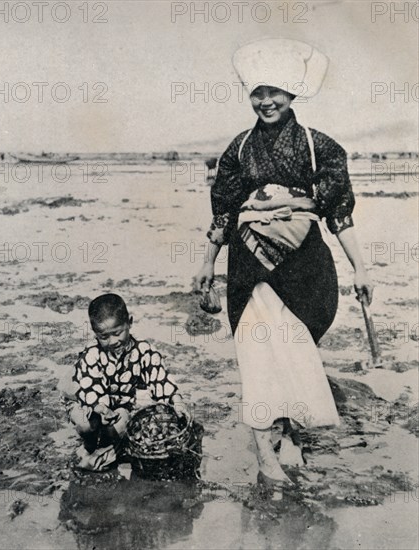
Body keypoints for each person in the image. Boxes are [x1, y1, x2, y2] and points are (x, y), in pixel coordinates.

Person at [193, 38, 374, 491]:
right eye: (257, 92)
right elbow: (224, 212)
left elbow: (339, 214)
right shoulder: (238, 149)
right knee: (257, 354)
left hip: (304, 266)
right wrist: (207, 263)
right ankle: (264, 456)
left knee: (294, 349)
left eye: (274, 91)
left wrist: (361, 268)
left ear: (293, 93)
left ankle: (288, 431)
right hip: (249, 265)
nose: (265, 101)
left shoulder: (319, 148)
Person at [61, 293, 187, 471]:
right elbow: (90, 386)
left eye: (117, 333)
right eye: (104, 336)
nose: (112, 341)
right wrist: (101, 408)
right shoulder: (92, 354)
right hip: (86, 402)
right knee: (85, 423)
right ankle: (88, 445)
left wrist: (177, 402)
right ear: (95, 333)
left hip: (119, 404)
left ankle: (107, 444)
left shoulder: (143, 351)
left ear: (130, 322)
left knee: (119, 425)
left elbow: (160, 379)